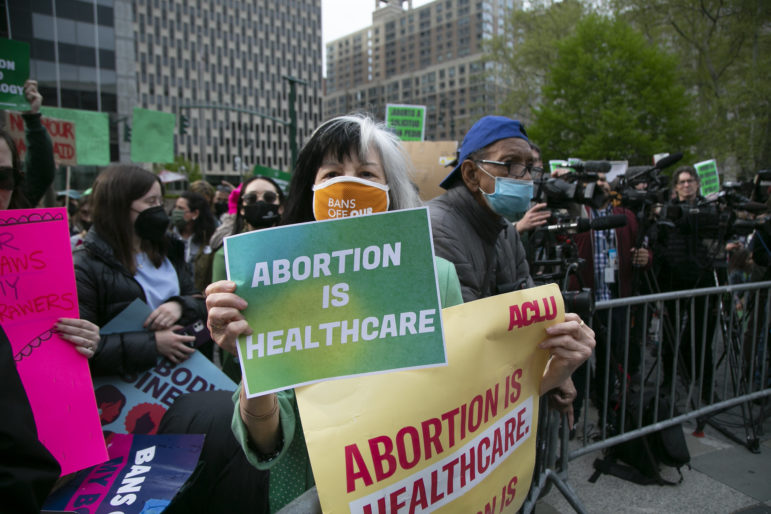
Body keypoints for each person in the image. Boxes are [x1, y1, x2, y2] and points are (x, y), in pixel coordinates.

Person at [204, 114, 594, 512]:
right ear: (312, 188)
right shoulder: (278, 287)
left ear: (389, 190)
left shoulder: (434, 277)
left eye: (366, 173)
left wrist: (551, 375)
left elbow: (469, 401)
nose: (348, 184)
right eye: (333, 172)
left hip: (414, 490)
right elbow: (266, 442)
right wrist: (257, 369)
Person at [73, 165, 207, 376]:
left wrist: (180, 305)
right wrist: (152, 344)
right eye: (150, 202)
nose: (159, 209)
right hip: (125, 392)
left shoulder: (169, 250)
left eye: (160, 202)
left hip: (180, 378)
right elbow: (82, 345)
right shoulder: (85, 264)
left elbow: (199, 301)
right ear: (118, 206)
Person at [209, 175, 284, 381]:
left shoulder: (298, 250)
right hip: (244, 362)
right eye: (251, 199)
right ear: (241, 208)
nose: (260, 204)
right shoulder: (225, 255)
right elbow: (222, 317)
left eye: (269, 198)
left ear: (280, 206)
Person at [654, 165, 718, 401]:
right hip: (674, 279)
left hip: (702, 278)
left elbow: (717, 228)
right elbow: (657, 242)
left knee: (702, 337)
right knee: (670, 337)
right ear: (676, 186)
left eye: (690, 181)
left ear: (698, 183)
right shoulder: (667, 211)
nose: (686, 185)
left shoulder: (708, 209)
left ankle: (704, 386)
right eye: (681, 182)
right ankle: (670, 381)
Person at [170, 191, 217, 292]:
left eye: (181, 208)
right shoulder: (168, 236)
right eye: (175, 207)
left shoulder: (208, 239)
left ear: (195, 213)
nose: (175, 211)